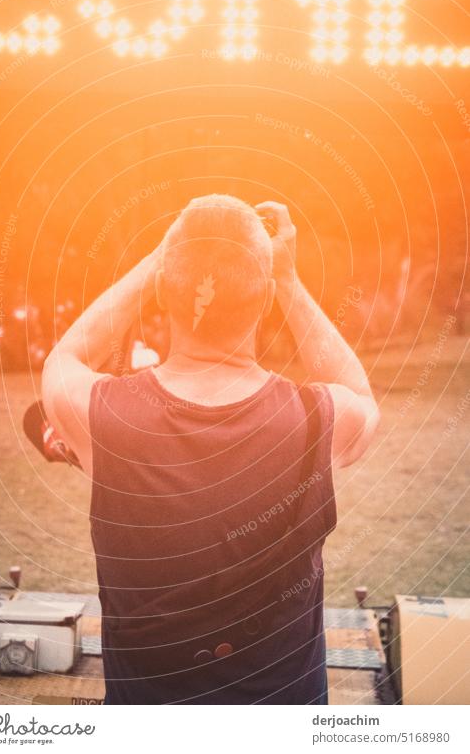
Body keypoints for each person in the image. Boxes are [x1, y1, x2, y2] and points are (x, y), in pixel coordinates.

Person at [42, 195, 380, 704]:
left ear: (160, 289)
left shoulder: (103, 413)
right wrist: (285, 279)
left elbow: (65, 356)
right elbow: (359, 391)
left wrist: (161, 262)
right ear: (264, 299)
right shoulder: (320, 420)